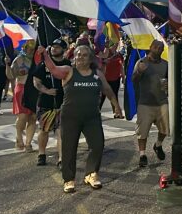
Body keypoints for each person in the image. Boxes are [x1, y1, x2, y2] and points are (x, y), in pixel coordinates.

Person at [42, 44, 123, 193]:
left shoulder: (97, 73)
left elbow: (107, 89)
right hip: (70, 116)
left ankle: (91, 174)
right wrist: (45, 55)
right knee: (69, 148)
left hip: (92, 117)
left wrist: (116, 106)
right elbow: (53, 69)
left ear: (91, 58)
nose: (80, 57)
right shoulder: (68, 71)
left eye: (84, 55)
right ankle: (69, 179)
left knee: (98, 145)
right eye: (78, 54)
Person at [32, 39, 70, 166]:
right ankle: (41, 154)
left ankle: (61, 159)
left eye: (58, 47)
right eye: (53, 47)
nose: (54, 49)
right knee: (44, 130)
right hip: (46, 103)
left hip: (62, 104)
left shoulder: (67, 64)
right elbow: (36, 81)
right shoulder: (44, 64)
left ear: (64, 50)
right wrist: (46, 90)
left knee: (61, 132)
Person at [132, 40, 169, 167]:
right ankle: (142, 155)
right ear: (150, 47)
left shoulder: (165, 64)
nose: (158, 49)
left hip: (162, 101)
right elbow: (134, 80)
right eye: (156, 47)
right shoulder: (141, 62)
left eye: (161, 48)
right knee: (142, 131)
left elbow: (170, 79)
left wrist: (168, 84)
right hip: (145, 102)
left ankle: (158, 145)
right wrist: (139, 72)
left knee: (165, 129)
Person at [7, 41, 37, 151]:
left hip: (35, 90)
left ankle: (28, 143)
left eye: (34, 49)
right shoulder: (19, 59)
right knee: (23, 116)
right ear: (25, 48)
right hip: (22, 89)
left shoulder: (38, 60)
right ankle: (19, 137)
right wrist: (7, 65)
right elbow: (10, 75)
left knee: (33, 117)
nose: (32, 51)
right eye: (30, 48)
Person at [98, 45, 124, 111]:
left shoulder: (119, 55)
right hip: (105, 79)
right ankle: (97, 111)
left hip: (116, 79)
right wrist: (104, 62)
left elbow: (121, 67)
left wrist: (123, 77)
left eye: (116, 44)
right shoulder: (105, 54)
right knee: (102, 97)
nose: (115, 46)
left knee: (114, 96)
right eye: (113, 44)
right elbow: (99, 65)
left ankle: (116, 112)